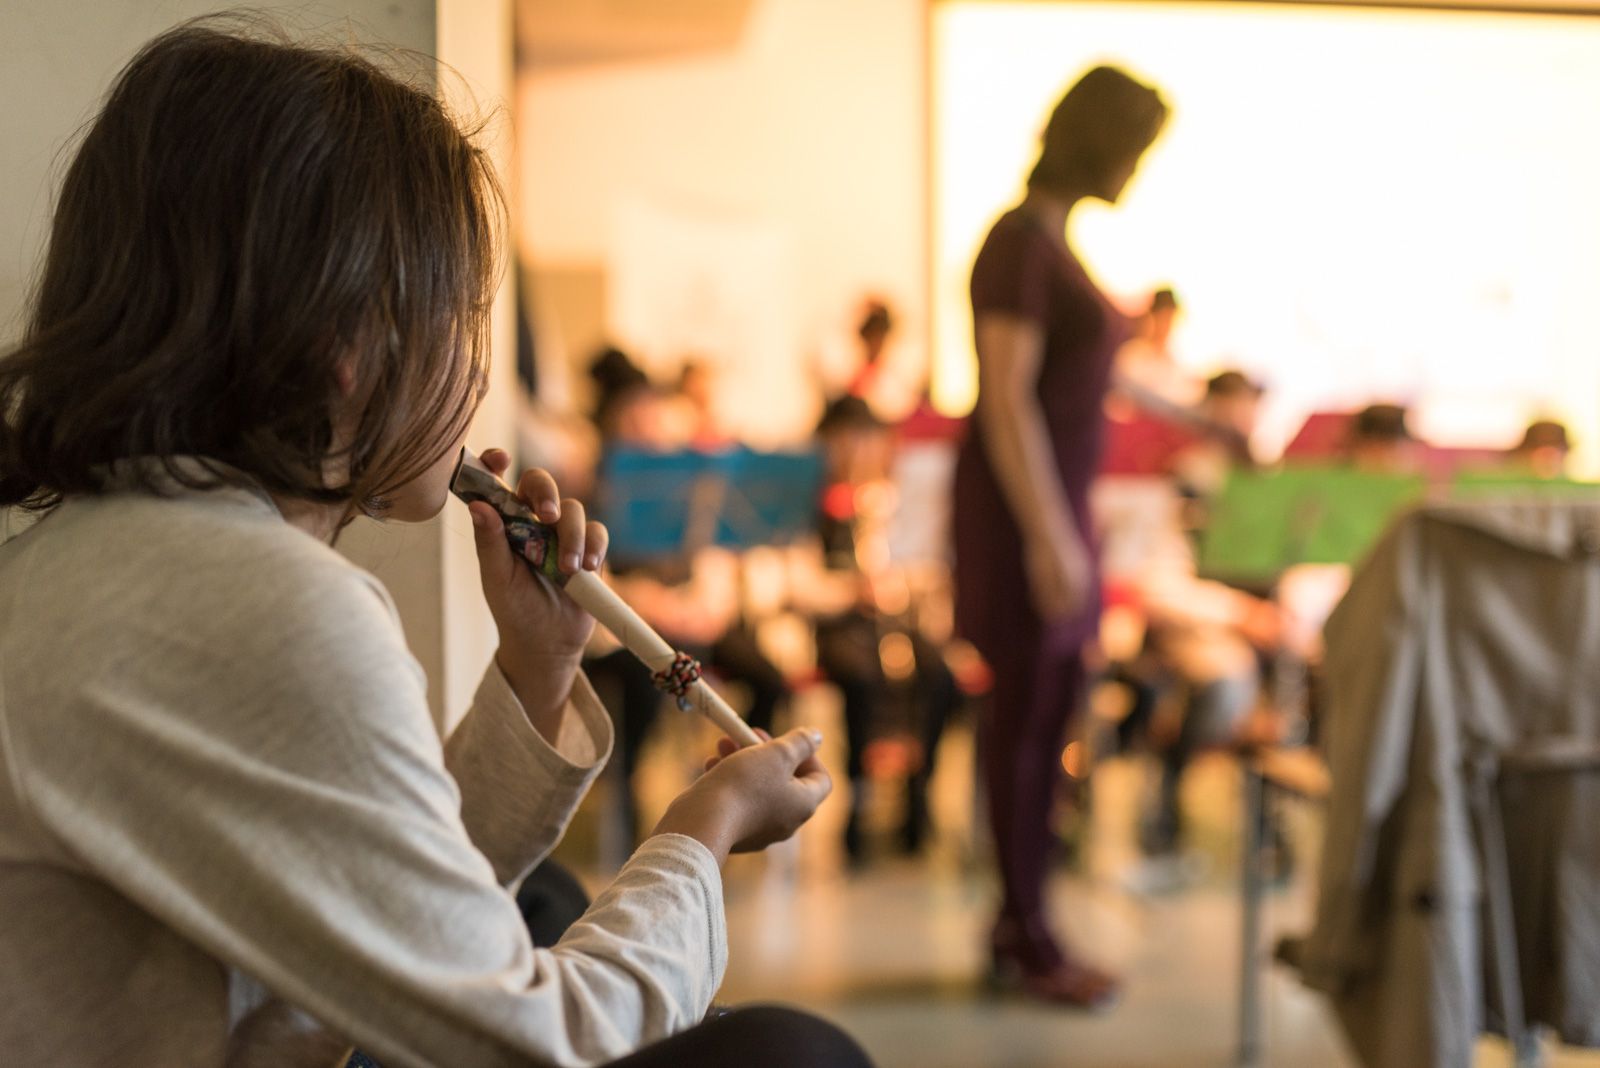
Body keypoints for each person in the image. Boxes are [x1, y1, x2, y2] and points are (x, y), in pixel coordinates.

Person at [0, 22, 871, 1068]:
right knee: (790, 1056)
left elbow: (388, 903)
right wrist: (703, 831)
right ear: (346, 346)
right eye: (461, 318)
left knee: (545, 898)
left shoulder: (118, 552)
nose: (475, 373)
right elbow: (535, 1040)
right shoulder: (258, 601)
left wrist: (537, 668)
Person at [952, 65, 1168, 1009]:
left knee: (1047, 722)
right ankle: (1025, 932)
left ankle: (1028, 923)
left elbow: (1095, 375)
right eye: (1134, 149)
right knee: (1025, 729)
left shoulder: (1053, 246)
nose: (1136, 170)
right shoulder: (1018, 246)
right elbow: (1005, 399)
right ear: (1098, 143)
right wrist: (1048, 539)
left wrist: (1204, 422)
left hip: (1054, 513)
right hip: (1024, 519)